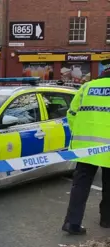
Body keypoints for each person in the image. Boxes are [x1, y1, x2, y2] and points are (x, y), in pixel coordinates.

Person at [62, 59, 110, 235]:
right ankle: (106, 219)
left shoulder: (86, 88)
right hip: (108, 149)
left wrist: (81, 134)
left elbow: (71, 114)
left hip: (85, 147)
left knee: (80, 185)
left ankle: (72, 223)